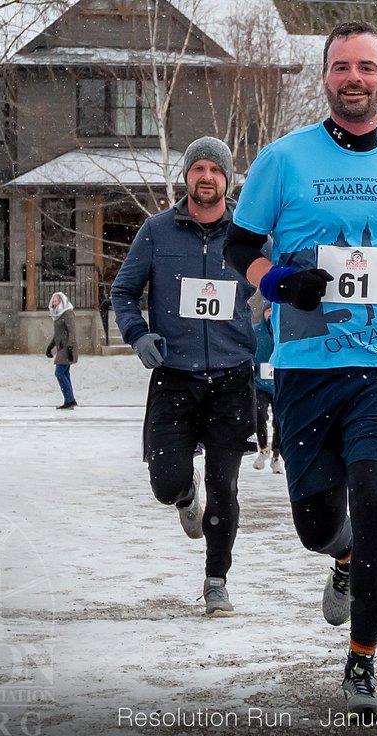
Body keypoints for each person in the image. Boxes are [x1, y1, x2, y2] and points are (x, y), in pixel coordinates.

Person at [223, 20, 377, 716]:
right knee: (316, 524)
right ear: (325, 77)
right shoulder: (283, 159)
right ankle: (342, 557)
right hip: (305, 367)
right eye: (342, 67)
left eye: (367, 67)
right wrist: (278, 282)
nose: (355, 78)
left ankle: (362, 661)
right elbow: (239, 245)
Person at [112, 136, 260, 617]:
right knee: (165, 482)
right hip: (174, 377)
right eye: (199, 169)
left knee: (225, 486)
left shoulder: (248, 234)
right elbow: (123, 291)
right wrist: (138, 335)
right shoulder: (156, 231)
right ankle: (184, 493)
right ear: (187, 177)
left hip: (232, 378)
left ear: (228, 179)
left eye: (215, 170)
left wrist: (269, 331)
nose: (207, 177)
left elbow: (276, 286)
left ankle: (216, 580)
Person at [252, 304, 283, 473]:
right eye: (267, 311)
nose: (270, 314)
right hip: (260, 383)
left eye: (273, 310)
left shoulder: (285, 329)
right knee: (259, 415)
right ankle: (263, 448)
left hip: (279, 384)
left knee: (279, 421)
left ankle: (276, 455)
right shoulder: (256, 331)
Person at [46, 292, 78, 409]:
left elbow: (72, 331)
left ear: (61, 301)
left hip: (67, 348)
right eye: (53, 301)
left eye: (56, 301)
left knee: (59, 373)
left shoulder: (68, 313)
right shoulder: (58, 315)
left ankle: (70, 400)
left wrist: (70, 347)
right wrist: (50, 347)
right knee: (64, 373)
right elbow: (57, 334)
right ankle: (69, 400)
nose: (53, 303)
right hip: (61, 348)